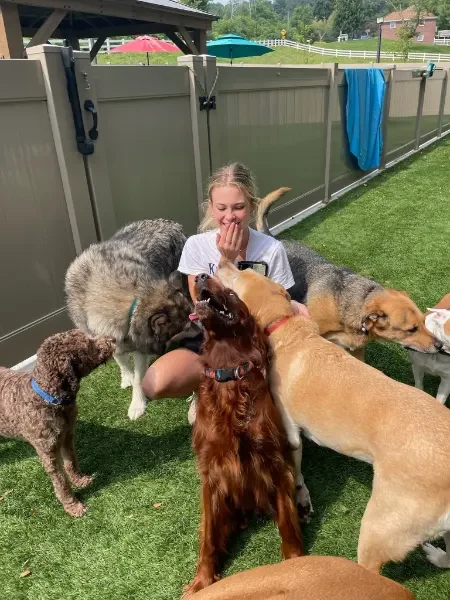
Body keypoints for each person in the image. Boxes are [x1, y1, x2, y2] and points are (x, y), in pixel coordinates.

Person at [141, 162, 309, 418]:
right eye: (221, 208)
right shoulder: (197, 245)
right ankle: (207, 386)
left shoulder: (271, 249)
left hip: (255, 336)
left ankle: (244, 384)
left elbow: (281, 305)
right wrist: (226, 262)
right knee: (154, 383)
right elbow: (202, 303)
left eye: (239, 207)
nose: (229, 216)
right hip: (211, 335)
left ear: (251, 206)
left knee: (263, 413)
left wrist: (296, 308)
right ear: (211, 207)